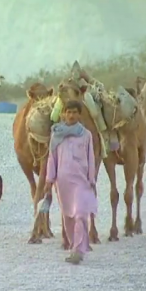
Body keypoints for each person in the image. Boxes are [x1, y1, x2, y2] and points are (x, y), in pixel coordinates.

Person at [44, 100, 98, 265]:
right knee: (68, 216)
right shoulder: (56, 134)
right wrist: (49, 180)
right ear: (63, 114)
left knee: (81, 214)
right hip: (63, 182)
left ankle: (78, 251)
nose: (71, 115)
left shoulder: (86, 134)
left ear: (79, 115)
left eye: (75, 112)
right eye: (68, 112)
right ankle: (74, 245)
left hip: (82, 181)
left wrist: (92, 179)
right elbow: (51, 159)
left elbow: (91, 158)